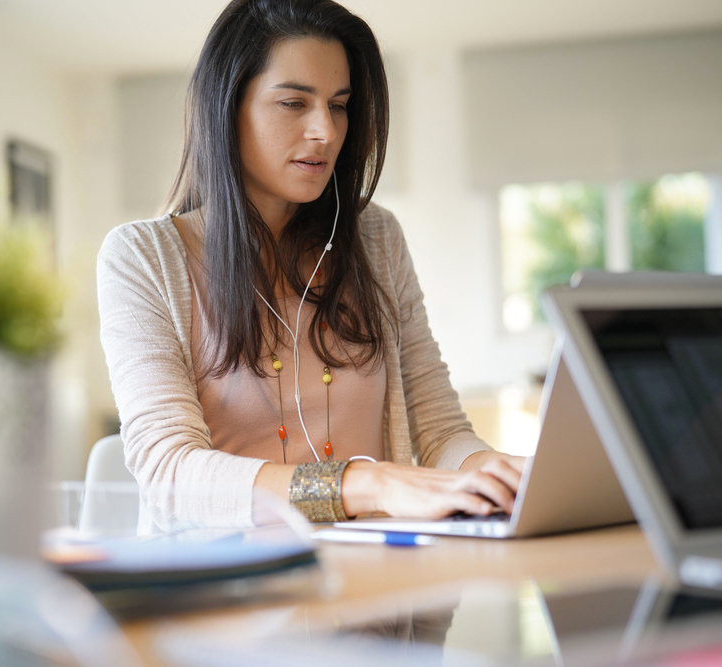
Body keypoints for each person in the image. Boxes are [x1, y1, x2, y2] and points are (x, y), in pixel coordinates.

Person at [97, 0, 525, 531]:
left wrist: (501, 473)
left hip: (375, 588)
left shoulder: (376, 238)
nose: (325, 130)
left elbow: (438, 431)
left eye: (339, 105)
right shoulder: (142, 258)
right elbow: (169, 471)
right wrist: (367, 483)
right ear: (228, 109)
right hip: (229, 597)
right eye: (294, 103)